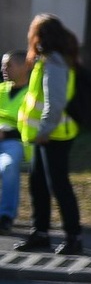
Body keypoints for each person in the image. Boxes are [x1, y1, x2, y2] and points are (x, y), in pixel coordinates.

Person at [15, 14, 83, 254]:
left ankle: (73, 237)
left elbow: (54, 102)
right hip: (47, 134)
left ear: (40, 36)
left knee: (58, 186)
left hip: (53, 134)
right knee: (39, 185)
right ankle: (40, 233)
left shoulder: (53, 63)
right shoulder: (50, 60)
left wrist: (44, 130)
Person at [0, 50, 28, 240]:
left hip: (15, 142)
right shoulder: (1, 89)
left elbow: (31, 124)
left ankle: (5, 216)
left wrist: (6, 132)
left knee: (8, 166)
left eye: (8, 65)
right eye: (3, 65)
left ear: (23, 66)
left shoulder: (31, 94)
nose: (4, 69)